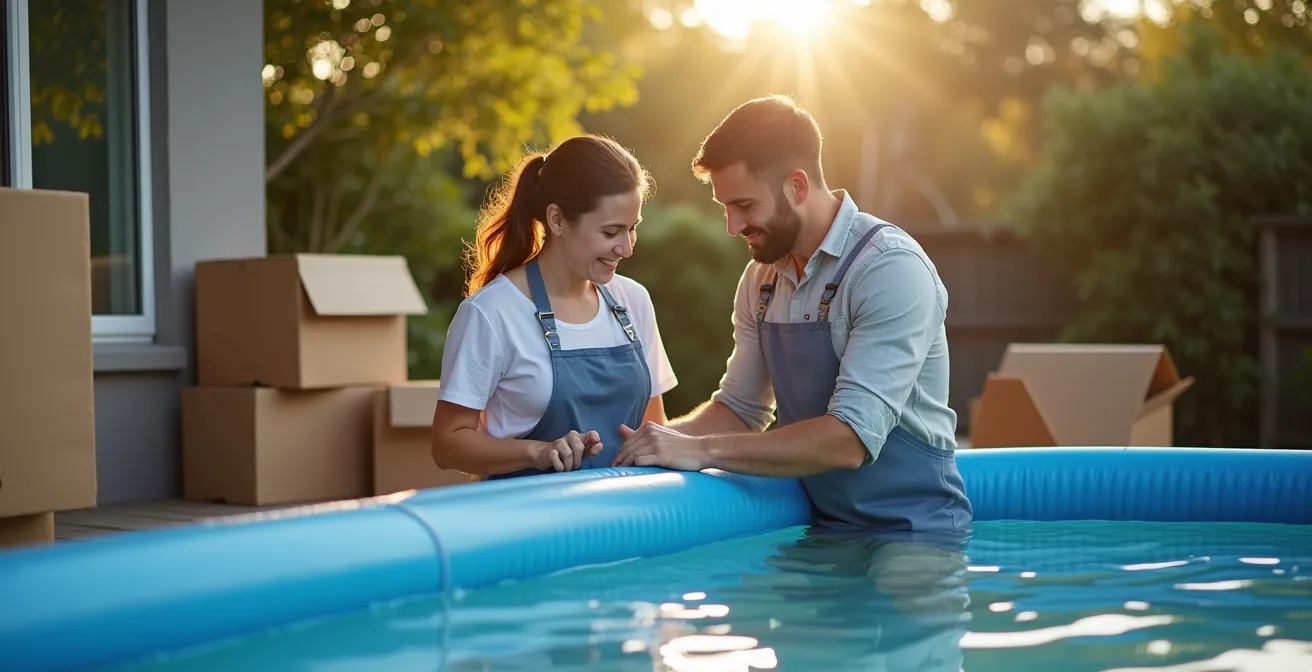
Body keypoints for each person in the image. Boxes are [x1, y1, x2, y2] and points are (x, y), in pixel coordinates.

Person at [612, 95, 973, 535]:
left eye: (744, 205)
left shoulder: (889, 269)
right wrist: (643, 445)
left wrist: (701, 450)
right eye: (725, 207)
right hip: (818, 532)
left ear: (798, 186)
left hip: (915, 533)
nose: (732, 226)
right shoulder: (760, 279)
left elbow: (848, 441)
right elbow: (741, 410)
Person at [431, 135, 678, 480]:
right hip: (530, 522)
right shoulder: (491, 313)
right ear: (558, 220)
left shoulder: (633, 301)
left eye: (632, 229)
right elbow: (447, 444)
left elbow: (653, 428)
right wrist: (538, 452)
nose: (627, 248)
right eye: (611, 232)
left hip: (628, 523)